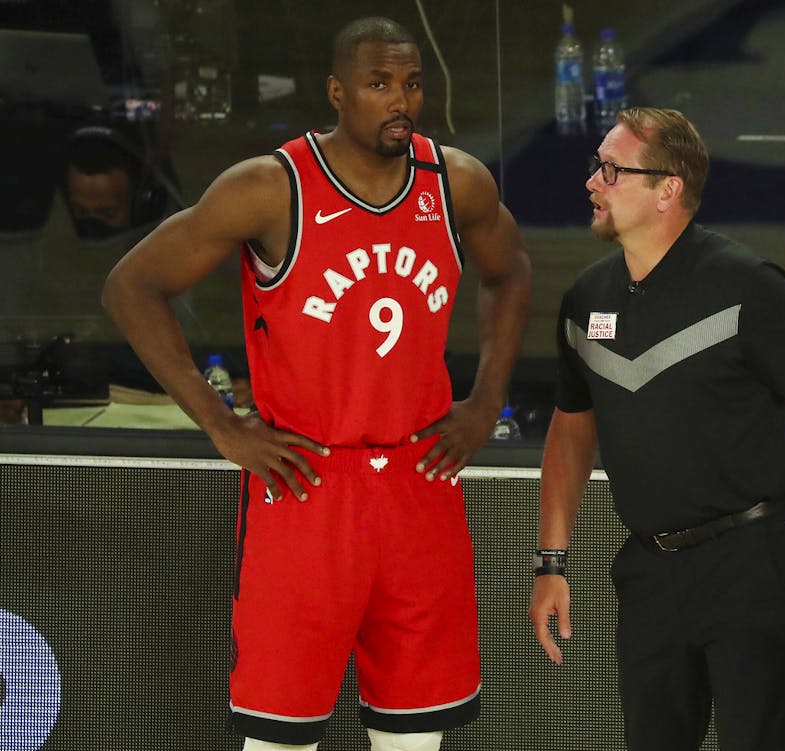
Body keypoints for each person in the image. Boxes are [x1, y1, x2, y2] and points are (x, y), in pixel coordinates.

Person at [103, 16, 531, 751]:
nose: (400, 100)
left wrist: (486, 401)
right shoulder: (270, 187)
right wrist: (222, 423)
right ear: (337, 92)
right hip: (308, 484)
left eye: (412, 83)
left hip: (419, 482)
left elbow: (511, 272)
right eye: (378, 84)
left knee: (414, 737)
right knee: (281, 737)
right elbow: (131, 286)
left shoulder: (455, 181)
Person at [527, 107, 785, 751]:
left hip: (750, 560)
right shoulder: (586, 299)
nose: (592, 182)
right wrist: (550, 561)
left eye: (611, 170)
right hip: (647, 566)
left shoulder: (746, 284)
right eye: (596, 167)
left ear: (667, 189)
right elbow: (571, 429)